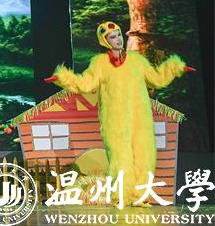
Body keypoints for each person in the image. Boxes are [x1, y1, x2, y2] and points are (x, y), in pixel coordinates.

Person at [45, 21, 195, 207]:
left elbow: (157, 79)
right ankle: (121, 196)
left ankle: (141, 195)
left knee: (144, 155)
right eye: (112, 37)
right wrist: (63, 77)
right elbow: (85, 84)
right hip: (115, 121)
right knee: (120, 159)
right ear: (105, 41)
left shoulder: (137, 61)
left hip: (140, 118)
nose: (118, 39)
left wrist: (175, 67)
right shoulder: (100, 63)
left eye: (118, 35)